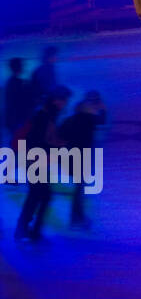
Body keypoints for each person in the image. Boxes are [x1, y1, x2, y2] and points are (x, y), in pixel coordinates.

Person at [15, 86, 71, 242]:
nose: (65, 104)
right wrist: (57, 147)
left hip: (36, 161)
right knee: (40, 195)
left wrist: (57, 145)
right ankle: (26, 229)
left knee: (40, 195)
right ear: (55, 100)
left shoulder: (48, 116)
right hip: (33, 161)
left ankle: (29, 230)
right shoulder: (42, 117)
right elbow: (36, 142)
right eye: (63, 100)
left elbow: (46, 140)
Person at [59, 90, 108, 229]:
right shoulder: (89, 120)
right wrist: (102, 109)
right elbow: (101, 120)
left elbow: (60, 134)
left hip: (72, 158)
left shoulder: (71, 120)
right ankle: (75, 218)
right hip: (80, 159)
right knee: (79, 190)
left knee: (79, 189)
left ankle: (77, 216)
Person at [4, 57, 35, 147]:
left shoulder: (11, 83)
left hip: (15, 120)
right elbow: (25, 102)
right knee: (22, 145)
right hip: (20, 120)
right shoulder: (20, 84)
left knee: (19, 144)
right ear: (20, 67)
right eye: (22, 66)